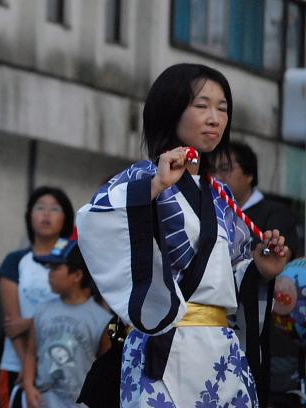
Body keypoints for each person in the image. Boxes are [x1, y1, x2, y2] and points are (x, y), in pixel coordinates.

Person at [76, 63, 289, 407]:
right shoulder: (141, 178)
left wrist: (261, 269)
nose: (215, 118)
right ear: (170, 109)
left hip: (220, 351)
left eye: (223, 108)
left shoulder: (222, 195)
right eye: (201, 105)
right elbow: (95, 221)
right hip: (164, 348)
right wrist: (155, 186)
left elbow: (226, 276)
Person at [215, 140, 301, 406]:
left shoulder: (275, 214)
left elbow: (277, 262)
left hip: (269, 337)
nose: (218, 176)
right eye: (214, 170)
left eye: (226, 169)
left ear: (249, 175)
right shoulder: (214, 213)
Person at [0, 186, 75, 406]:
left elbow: (77, 310)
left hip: (65, 365)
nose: (46, 214)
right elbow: (13, 325)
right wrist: (27, 369)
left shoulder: (75, 264)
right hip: (16, 365)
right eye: (40, 208)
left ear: (66, 218)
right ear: (30, 217)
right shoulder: (15, 261)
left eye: (55, 209)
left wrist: (30, 322)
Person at [20, 240, 111, 408]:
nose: (49, 274)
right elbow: (31, 353)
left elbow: (106, 369)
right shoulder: (42, 310)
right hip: (43, 403)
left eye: (55, 268)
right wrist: (28, 386)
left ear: (77, 275)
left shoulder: (101, 320)